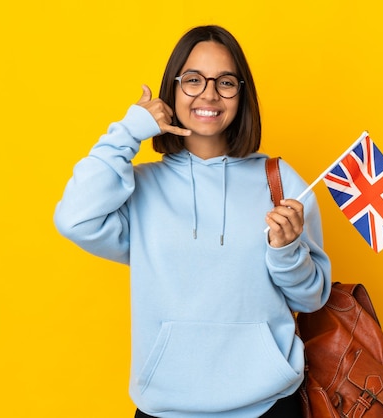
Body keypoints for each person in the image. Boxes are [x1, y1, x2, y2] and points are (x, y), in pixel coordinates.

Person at [54, 25, 331, 418]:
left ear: (241, 93)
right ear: (173, 88)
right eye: (194, 80)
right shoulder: (140, 188)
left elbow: (311, 297)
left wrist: (286, 252)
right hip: (166, 407)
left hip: (268, 405)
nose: (209, 94)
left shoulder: (281, 181)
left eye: (226, 82)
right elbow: (73, 218)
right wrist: (129, 131)